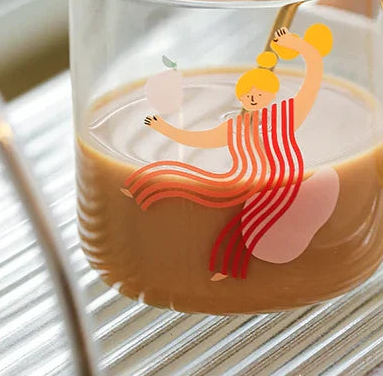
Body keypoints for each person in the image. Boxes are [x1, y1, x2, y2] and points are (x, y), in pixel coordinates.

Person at [122, 24, 339, 280]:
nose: (254, 97)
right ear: (240, 95)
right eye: (249, 93)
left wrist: (299, 45)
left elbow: (313, 76)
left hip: (283, 175)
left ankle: (230, 266)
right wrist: (164, 128)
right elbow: (195, 139)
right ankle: (143, 188)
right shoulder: (234, 127)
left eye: (261, 93)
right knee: (190, 178)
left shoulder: (286, 116)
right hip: (241, 176)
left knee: (249, 219)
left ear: (271, 95)